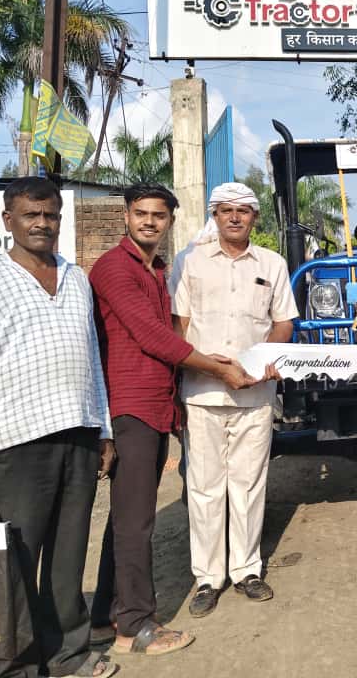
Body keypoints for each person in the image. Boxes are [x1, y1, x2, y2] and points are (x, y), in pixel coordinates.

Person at [0, 177, 118, 678]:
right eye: (31, 215)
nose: (43, 223)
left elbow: (92, 359)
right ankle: (13, 668)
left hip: (80, 438)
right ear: (9, 221)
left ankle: (68, 654)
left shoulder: (76, 277)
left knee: (67, 564)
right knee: (15, 565)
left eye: (51, 215)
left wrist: (103, 430)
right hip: (18, 444)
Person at [88, 184, 257, 655]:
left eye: (158, 216)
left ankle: (105, 614)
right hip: (130, 405)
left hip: (157, 403)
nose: (149, 222)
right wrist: (217, 365)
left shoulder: (157, 269)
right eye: (140, 213)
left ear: (169, 221)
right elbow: (151, 336)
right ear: (126, 216)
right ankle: (136, 626)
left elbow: (168, 336)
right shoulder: (113, 268)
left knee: (125, 518)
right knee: (137, 521)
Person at [172, 182, 298, 618]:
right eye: (225, 210)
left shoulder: (272, 264)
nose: (234, 218)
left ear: (254, 218)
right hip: (203, 393)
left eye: (243, 211)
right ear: (215, 215)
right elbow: (178, 325)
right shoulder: (188, 262)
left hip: (256, 394)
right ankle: (208, 577)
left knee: (247, 484)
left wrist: (264, 358)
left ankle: (246, 569)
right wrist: (212, 367)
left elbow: (283, 323)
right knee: (205, 488)